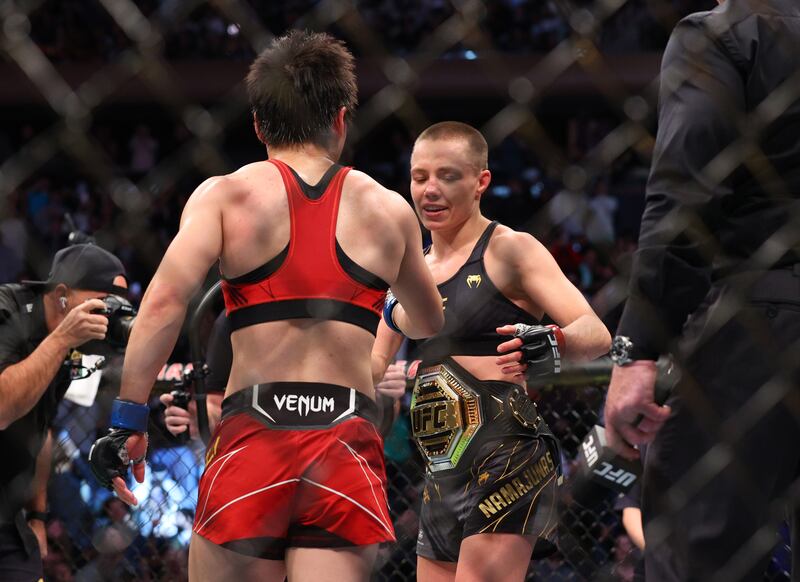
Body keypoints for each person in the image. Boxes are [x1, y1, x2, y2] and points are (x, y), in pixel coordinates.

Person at [88, 30, 444, 582]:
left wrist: (128, 418)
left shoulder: (225, 195)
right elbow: (428, 320)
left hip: (256, 432)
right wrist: (387, 305)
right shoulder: (388, 209)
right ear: (342, 119)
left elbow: (161, 304)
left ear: (258, 125)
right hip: (343, 439)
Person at [603, 1, 800, 580]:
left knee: (698, 553)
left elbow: (684, 198)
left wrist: (636, 348)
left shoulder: (724, 33)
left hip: (760, 321)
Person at [371, 121, 611, 582]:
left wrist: (553, 340)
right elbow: (372, 365)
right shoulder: (409, 269)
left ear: (481, 181)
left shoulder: (509, 250)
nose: (430, 191)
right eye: (419, 177)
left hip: (507, 456)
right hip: (440, 470)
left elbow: (595, 333)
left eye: (448, 176)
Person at [0, 243, 128, 581]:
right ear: (62, 296)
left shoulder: (73, 349)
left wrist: (37, 516)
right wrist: (59, 340)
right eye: (101, 303)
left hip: (9, 517)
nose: (107, 315)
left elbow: (41, 431)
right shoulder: (6, 311)